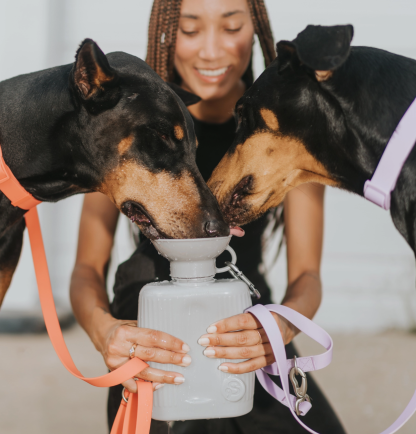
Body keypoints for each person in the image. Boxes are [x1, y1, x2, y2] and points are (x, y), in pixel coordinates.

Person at [70, 0, 346, 433]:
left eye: (231, 26)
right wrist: (105, 331)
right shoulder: (125, 124)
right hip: (154, 350)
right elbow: (86, 268)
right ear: (166, 33)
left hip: (248, 335)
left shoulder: (287, 132)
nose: (211, 52)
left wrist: (279, 328)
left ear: (254, 29)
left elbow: (307, 277)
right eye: (191, 30)